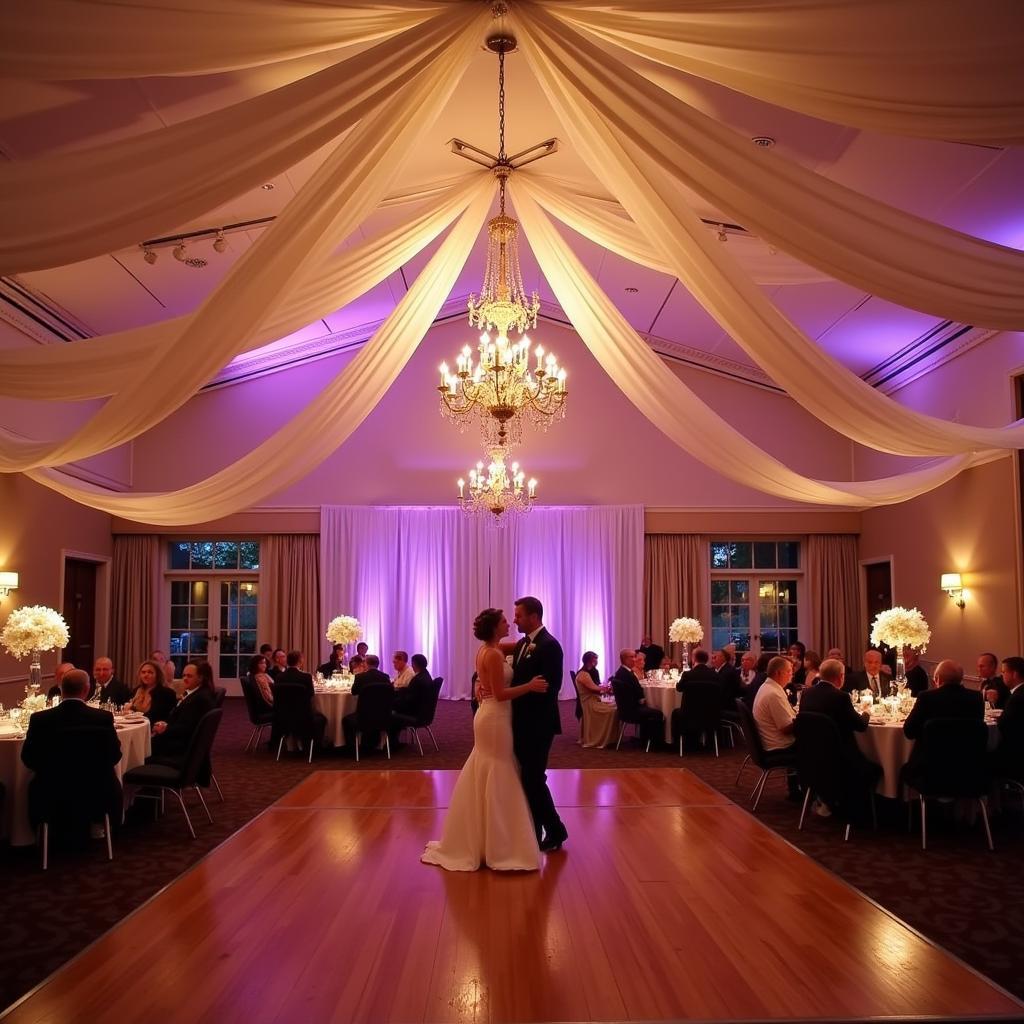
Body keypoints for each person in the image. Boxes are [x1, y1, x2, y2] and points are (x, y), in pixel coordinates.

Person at [422, 608, 547, 871]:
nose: (509, 623)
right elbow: (500, 694)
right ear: (493, 628)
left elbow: (525, 643)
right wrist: (530, 686)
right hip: (494, 718)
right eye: (504, 621)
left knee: (490, 767)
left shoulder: (493, 649)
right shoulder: (491, 653)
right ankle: (498, 843)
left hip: (491, 715)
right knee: (497, 769)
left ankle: (488, 838)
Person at [21, 668, 122, 837]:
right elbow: (114, 755)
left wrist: (52, 771)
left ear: (61, 689)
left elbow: (28, 758)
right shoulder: (102, 718)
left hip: (50, 792)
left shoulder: (40, 719)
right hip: (96, 790)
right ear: (86, 690)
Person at [509, 596, 568, 852]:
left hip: (539, 724)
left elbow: (551, 688)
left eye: (519, 615)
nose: (514, 620)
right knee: (529, 778)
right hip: (521, 723)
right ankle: (535, 829)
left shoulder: (549, 645)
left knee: (533, 778)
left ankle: (555, 829)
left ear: (533, 617)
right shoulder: (524, 643)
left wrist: (520, 697)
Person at [798, 658, 880, 821]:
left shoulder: (807, 694)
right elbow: (860, 726)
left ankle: (828, 798)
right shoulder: (840, 697)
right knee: (875, 768)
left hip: (812, 756)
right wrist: (866, 712)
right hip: (840, 759)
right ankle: (862, 812)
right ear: (840, 677)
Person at [902, 660, 983, 779]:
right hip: (968, 766)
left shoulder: (927, 697)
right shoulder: (976, 697)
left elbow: (909, 731)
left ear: (937, 679)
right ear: (961, 679)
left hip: (929, 768)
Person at [150, 660, 218, 764]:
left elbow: (187, 729)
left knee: (141, 747)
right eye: (184, 675)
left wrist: (165, 729)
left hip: (181, 750)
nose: (185, 679)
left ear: (200, 678)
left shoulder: (200, 699)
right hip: (184, 744)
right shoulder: (198, 693)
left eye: (189, 676)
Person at [753, 655, 800, 798]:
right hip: (778, 746)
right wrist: (805, 719)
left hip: (768, 742)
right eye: (789, 671)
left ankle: (797, 790)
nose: (792, 674)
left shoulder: (767, 687)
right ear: (779, 673)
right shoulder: (773, 694)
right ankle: (817, 796)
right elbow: (785, 728)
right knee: (821, 746)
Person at [611, 648, 664, 747]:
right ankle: (654, 743)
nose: (635, 659)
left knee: (650, 708)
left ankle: (645, 738)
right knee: (658, 713)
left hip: (625, 710)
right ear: (626, 659)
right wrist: (644, 700)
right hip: (631, 711)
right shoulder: (626, 674)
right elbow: (637, 694)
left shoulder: (623, 672)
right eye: (633, 657)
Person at [575, 651, 617, 748]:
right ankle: (600, 737)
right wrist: (608, 688)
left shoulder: (588, 672)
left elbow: (596, 687)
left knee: (615, 706)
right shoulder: (583, 675)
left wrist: (606, 688)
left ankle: (610, 737)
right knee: (612, 710)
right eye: (595, 659)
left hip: (594, 700)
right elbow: (595, 689)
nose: (597, 661)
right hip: (590, 704)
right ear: (590, 661)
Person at [994, 656, 1024, 781]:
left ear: (1014, 674)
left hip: (1016, 754)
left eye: (1004, 672)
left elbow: (1003, 727)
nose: (1002, 676)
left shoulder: (1017, 697)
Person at [128, 659, 178, 723]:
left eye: (150, 672)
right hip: (135, 725)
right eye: (143, 672)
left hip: (156, 728)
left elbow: (166, 717)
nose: (146, 675)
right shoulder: (136, 690)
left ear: (157, 675)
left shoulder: (166, 693)